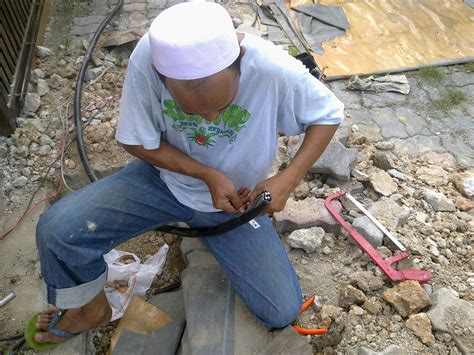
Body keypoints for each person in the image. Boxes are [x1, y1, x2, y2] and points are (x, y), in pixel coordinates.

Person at [32, 2, 343, 345]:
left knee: (281, 310)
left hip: (237, 203)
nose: (208, 121)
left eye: (221, 107)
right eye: (193, 111)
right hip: (163, 183)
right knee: (58, 231)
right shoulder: (148, 59)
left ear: (239, 58)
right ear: (160, 74)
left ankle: (207, 233)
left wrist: (287, 179)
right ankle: (91, 309)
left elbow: (327, 114)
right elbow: (135, 142)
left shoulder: (271, 67)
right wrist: (206, 174)